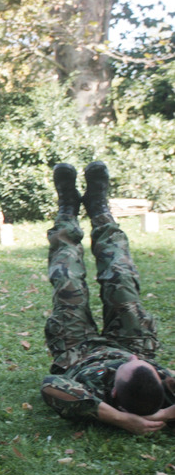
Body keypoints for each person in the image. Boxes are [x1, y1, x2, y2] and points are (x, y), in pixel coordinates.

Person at [40, 161, 175, 435]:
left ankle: (67, 210)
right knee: (120, 277)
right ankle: (100, 210)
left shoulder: (92, 392)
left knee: (67, 279)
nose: (132, 359)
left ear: (112, 390)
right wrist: (163, 413)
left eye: (126, 365)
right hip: (130, 341)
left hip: (77, 352)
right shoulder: (162, 384)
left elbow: (50, 385)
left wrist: (119, 419)